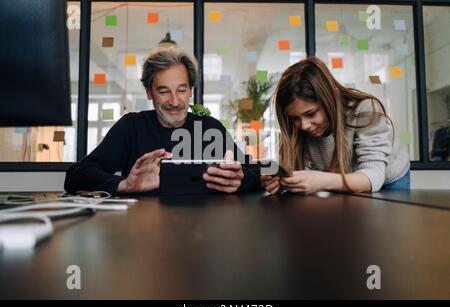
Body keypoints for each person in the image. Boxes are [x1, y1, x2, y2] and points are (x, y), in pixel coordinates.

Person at [64, 44, 260, 195]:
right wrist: (124, 184)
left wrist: (241, 179)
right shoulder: (131, 127)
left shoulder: (210, 128)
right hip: (144, 231)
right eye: (164, 91)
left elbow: (254, 172)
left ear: (190, 91)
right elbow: (76, 175)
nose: (175, 101)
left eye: (181, 90)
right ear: (149, 93)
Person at [261, 57, 410, 195]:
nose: (304, 125)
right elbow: (307, 173)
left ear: (329, 99)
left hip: (389, 180)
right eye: (295, 118)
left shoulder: (366, 109)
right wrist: (284, 183)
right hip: (342, 180)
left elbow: (374, 177)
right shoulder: (300, 127)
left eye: (311, 113)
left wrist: (321, 180)